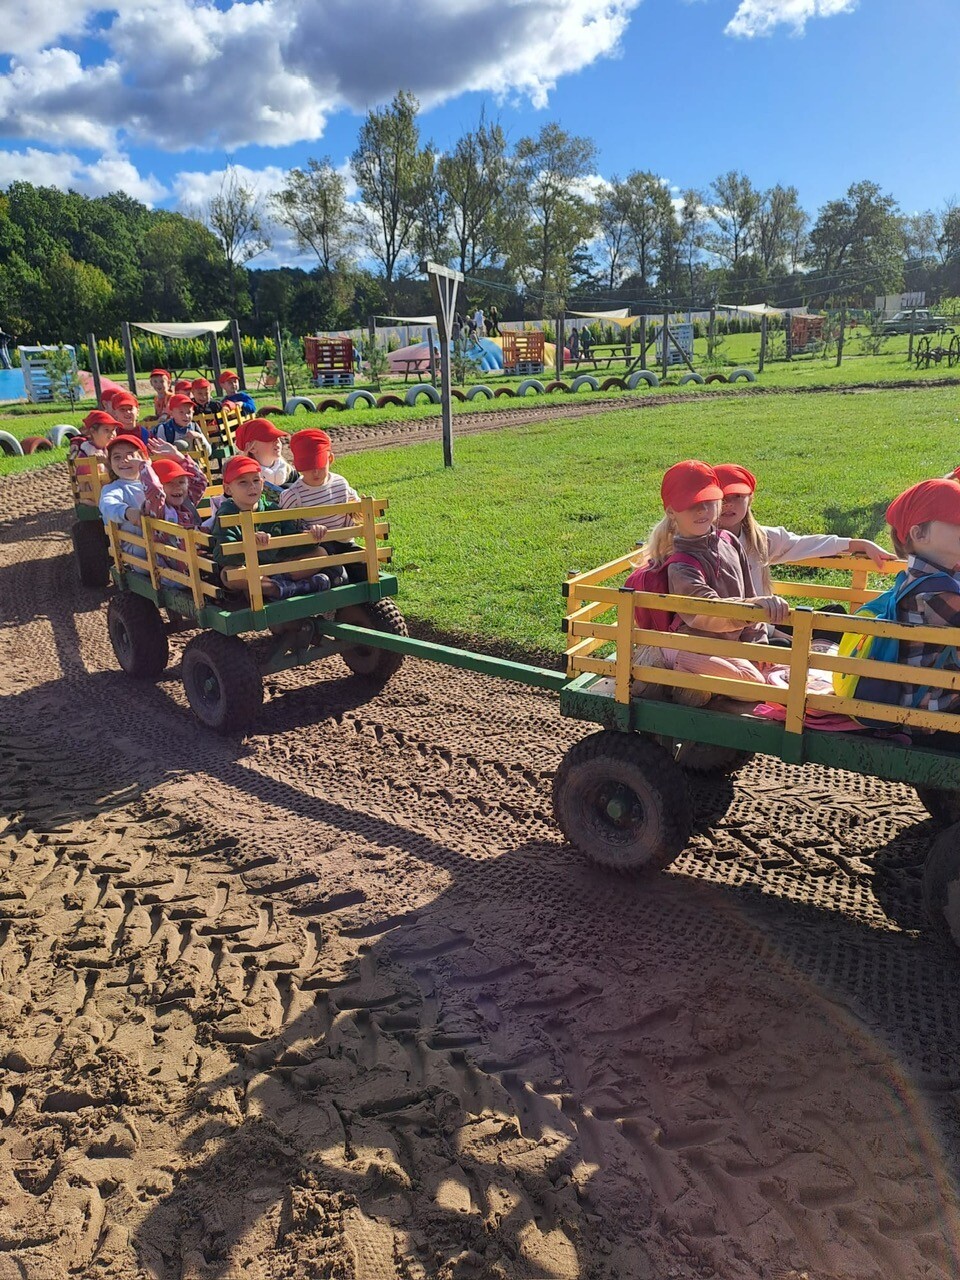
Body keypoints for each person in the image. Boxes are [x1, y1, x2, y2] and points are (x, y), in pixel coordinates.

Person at [635, 460, 789, 706]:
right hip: (691, 644)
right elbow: (706, 612)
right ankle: (670, 661)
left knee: (771, 677)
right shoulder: (682, 565)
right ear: (671, 512)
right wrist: (753, 606)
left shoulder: (729, 540)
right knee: (754, 686)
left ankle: (696, 680)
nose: (702, 510)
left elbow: (748, 590)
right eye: (691, 504)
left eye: (709, 501)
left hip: (723, 646)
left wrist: (758, 646)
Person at [715, 463, 895, 595]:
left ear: (750, 500)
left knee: (834, 613)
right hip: (737, 630)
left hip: (763, 625)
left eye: (737, 496)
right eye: (722, 498)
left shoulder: (761, 539)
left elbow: (808, 544)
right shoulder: (704, 544)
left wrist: (861, 544)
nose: (728, 504)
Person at [884, 479, 960, 718]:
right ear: (919, 534)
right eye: (957, 520)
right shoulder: (930, 592)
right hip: (934, 710)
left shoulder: (941, 577)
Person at [209, 456, 331, 601]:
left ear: (262, 483)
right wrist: (248, 543)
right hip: (251, 571)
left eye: (256, 480)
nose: (252, 486)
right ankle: (278, 589)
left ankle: (282, 586)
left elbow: (291, 542)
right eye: (243, 482)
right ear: (228, 489)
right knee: (229, 574)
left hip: (279, 567)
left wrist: (311, 537)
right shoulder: (226, 515)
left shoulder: (272, 509)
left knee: (320, 552)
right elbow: (221, 556)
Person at [279, 428, 360, 584]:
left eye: (319, 465)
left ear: (330, 458)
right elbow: (286, 528)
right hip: (317, 546)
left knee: (364, 567)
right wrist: (307, 531)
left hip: (344, 541)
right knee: (339, 576)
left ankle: (370, 596)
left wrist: (360, 507)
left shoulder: (340, 484)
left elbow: (355, 510)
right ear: (296, 465)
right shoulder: (293, 495)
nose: (315, 472)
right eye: (308, 466)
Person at [98, 434, 154, 565]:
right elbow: (108, 504)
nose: (124, 460)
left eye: (130, 455)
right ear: (111, 464)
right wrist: (127, 512)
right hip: (135, 547)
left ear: (145, 459)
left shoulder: (154, 483)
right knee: (146, 558)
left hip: (161, 538)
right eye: (117, 457)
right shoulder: (113, 488)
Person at [235, 418, 298, 490]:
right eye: (270, 438)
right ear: (252, 449)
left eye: (278, 437)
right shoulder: (242, 481)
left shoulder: (290, 473)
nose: (277, 441)